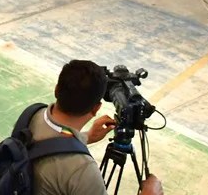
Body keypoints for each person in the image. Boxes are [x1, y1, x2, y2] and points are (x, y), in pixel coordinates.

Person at [30, 60, 163, 195]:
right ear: (96, 108)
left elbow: (51, 138)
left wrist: (85, 137)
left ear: (56, 89)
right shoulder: (82, 170)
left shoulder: (33, 114)